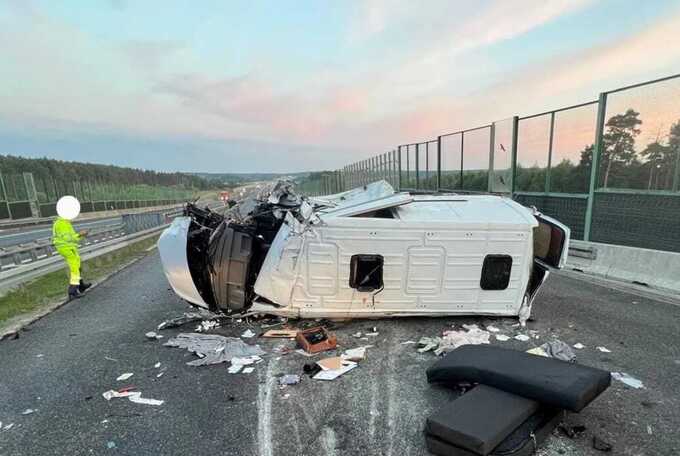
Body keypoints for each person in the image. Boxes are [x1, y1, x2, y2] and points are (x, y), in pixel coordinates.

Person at [52, 196, 92, 300]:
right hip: (67, 248)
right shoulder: (62, 223)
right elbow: (68, 238)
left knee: (77, 266)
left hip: (68, 247)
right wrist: (80, 234)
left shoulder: (64, 222)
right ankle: (72, 291)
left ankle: (81, 286)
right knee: (75, 268)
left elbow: (71, 238)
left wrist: (80, 236)